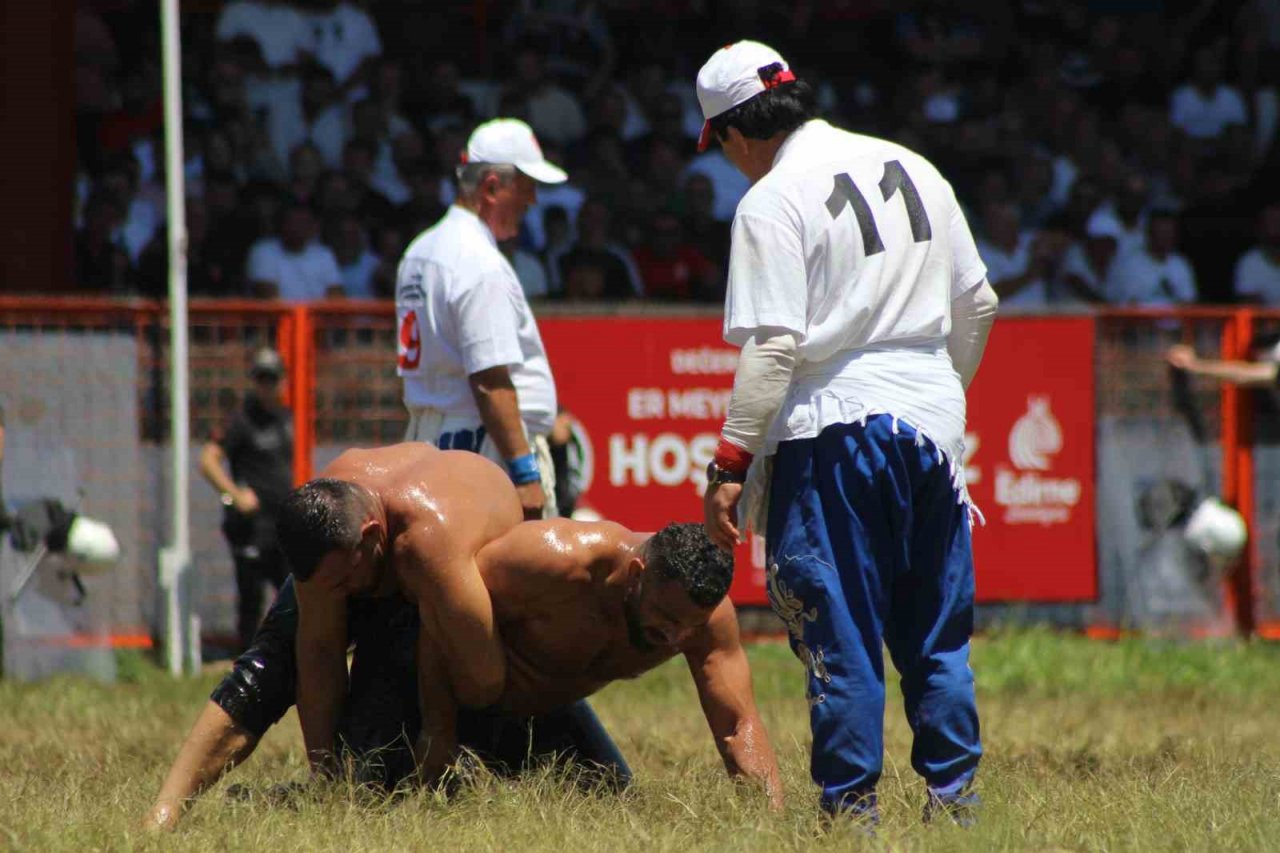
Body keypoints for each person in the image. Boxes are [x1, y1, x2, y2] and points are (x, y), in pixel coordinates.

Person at [145, 449, 781, 829]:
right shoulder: (548, 562)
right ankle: (172, 811)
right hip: (451, 657)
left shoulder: (702, 617)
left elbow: (736, 721)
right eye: (664, 622)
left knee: (609, 795)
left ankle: (341, 784)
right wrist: (339, 766)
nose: (672, 637)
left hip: (507, 683)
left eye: (682, 630)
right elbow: (324, 651)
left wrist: (770, 822)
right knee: (287, 688)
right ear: (637, 576)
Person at [695, 41, 996, 824]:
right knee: (937, 633)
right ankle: (956, 806)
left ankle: (851, 815)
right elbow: (979, 303)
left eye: (720, 143)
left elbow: (773, 347)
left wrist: (729, 463)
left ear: (735, 132)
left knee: (842, 633)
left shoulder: (771, 199)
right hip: (933, 426)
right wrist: (940, 398)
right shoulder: (914, 166)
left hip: (834, 427)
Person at [396, 118, 565, 520]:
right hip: (483, 449)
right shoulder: (479, 262)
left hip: (429, 439)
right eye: (526, 186)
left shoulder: (419, 250)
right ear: (491, 187)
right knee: (515, 561)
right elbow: (490, 381)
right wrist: (525, 473)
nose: (533, 201)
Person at [198, 348, 294, 651]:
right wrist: (234, 494)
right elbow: (208, 460)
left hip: (281, 523)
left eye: (272, 379)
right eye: (261, 380)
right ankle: (248, 661)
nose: (267, 387)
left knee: (293, 595)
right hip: (252, 526)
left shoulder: (285, 418)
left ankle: (289, 658)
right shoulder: (241, 420)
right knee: (251, 601)